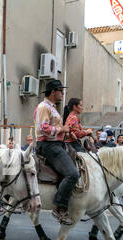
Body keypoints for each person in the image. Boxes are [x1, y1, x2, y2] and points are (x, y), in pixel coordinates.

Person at [34, 79, 76, 225]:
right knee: (72, 173)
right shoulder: (43, 107)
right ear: (53, 92)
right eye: (60, 91)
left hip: (56, 143)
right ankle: (60, 206)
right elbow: (42, 128)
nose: (62, 93)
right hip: (48, 145)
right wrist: (62, 129)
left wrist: (67, 133)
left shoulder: (52, 107)